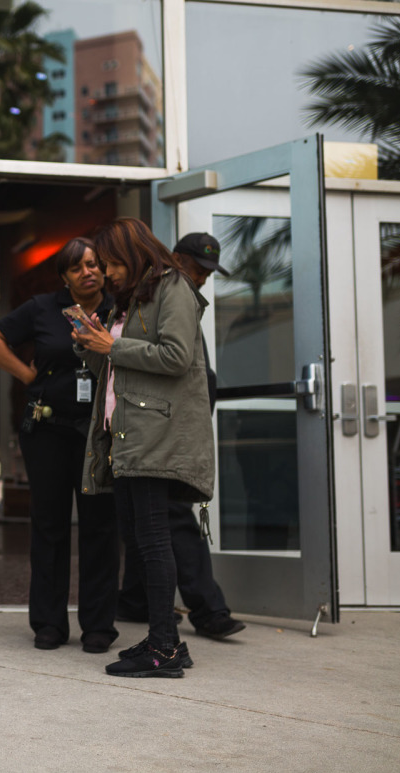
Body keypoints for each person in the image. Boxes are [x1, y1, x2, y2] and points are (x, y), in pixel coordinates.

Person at [73, 217, 215, 679]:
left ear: (132, 256)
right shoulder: (134, 298)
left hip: (156, 436)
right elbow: (115, 367)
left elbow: (176, 357)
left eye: (112, 263)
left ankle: (165, 649)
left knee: (154, 543)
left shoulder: (173, 287)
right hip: (129, 437)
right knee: (141, 540)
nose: (107, 273)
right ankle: (164, 640)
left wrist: (111, 345)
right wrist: (91, 344)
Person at [0, 238, 119, 653]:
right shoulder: (43, 307)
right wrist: (27, 376)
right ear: (65, 276)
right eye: (77, 267)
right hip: (48, 431)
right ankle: (49, 624)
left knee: (100, 528)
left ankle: (98, 626)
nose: (87, 272)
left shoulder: (118, 309)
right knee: (49, 527)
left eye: (93, 264)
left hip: (100, 433)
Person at [115, 232, 245, 641]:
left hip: (159, 431)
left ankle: (201, 612)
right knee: (141, 522)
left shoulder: (175, 293)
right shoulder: (155, 293)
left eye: (208, 272)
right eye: (196, 267)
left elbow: (184, 365)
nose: (202, 278)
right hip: (132, 428)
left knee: (164, 524)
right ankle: (152, 606)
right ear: (174, 257)